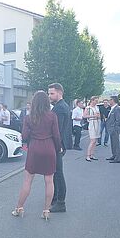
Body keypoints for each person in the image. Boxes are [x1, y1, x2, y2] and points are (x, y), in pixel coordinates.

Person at [11, 90, 61, 220]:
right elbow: (56, 135)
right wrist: (58, 149)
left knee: (28, 180)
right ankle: (46, 210)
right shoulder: (52, 116)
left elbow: (25, 136)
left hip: (34, 149)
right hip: (49, 148)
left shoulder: (28, 118)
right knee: (49, 181)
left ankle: (19, 208)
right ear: (46, 102)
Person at [48, 83, 72, 213]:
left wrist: (58, 147)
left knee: (58, 174)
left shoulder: (59, 108)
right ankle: (56, 197)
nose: (49, 96)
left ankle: (61, 202)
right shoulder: (62, 106)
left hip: (57, 145)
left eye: (52, 93)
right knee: (56, 173)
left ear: (59, 93)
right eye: (49, 93)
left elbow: (57, 131)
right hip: (59, 144)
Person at [83, 96, 101, 161]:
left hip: (97, 122)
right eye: (96, 101)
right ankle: (88, 155)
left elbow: (99, 115)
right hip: (92, 123)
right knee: (92, 140)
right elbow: (84, 116)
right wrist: (93, 116)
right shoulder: (88, 108)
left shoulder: (96, 107)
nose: (97, 102)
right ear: (92, 100)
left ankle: (92, 154)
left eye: (97, 101)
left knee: (95, 141)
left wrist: (98, 116)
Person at [106, 96, 120, 163]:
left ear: (113, 100)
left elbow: (118, 120)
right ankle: (114, 155)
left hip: (114, 129)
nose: (109, 101)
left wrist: (114, 127)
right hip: (111, 129)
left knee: (116, 144)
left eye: (110, 100)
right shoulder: (112, 108)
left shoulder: (117, 108)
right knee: (113, 143)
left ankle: (117, 158)